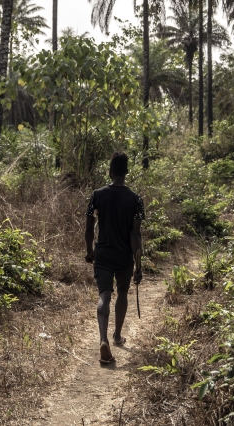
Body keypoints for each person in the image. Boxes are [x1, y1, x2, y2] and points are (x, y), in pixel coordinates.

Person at [84, 151, 144, 364]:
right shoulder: (136, 200)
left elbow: (90, 226)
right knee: (122, 294)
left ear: (110, 172)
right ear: (126, 172)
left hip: (103, 253)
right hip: (124, 255)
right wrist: (138, 264)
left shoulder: (97, 195)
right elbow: (135, 234)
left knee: (104, 296)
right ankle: (117, 335)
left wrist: (89, 250)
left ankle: (103, 340)